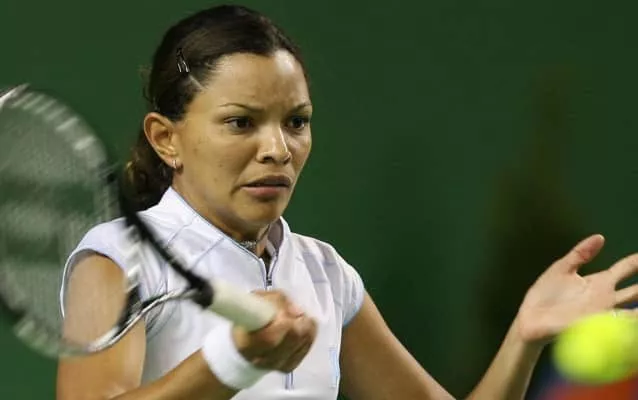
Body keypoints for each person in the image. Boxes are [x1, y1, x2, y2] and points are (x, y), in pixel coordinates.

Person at [56, 4, 638, 400]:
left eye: (296, 121)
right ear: (166, 138)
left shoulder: (326, 274)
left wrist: (524, 338)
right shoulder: (116, 257)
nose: (278, 149)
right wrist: (231, 359)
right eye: (240, 122)